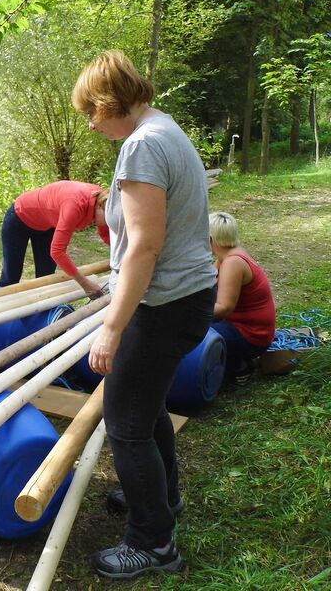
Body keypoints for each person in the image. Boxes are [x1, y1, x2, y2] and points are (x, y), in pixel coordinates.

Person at [71, 50, 217, 579]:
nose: (91, 122)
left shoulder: (143, 147)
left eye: (92, 110)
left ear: (111, 102)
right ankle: (163, 500)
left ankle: (153, 543)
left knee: (125, 423)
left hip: (163, 304)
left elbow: (143, 248)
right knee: (147, 405)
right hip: (186, 296)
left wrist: (111, 326)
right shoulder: (166, 130)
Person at [0, 180, 109, 297]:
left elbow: (106, 234)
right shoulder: (75, 205)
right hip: (19, 218)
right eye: (108, 218)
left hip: (46, 225)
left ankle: (39, 312)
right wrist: (85, 283)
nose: (109, 222)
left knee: (46, 279)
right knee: (10, 278)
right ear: (100, 206)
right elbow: (58, 252)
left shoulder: (104, 201)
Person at [208, 211, 276, 384]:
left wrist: (190, 311)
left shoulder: (232, 263)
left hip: (252, 336)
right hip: (247, 328)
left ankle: (238, 366)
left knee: (194, 331)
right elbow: (207, 283)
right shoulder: (229, 255)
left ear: (210, 239)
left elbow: (224, 308)